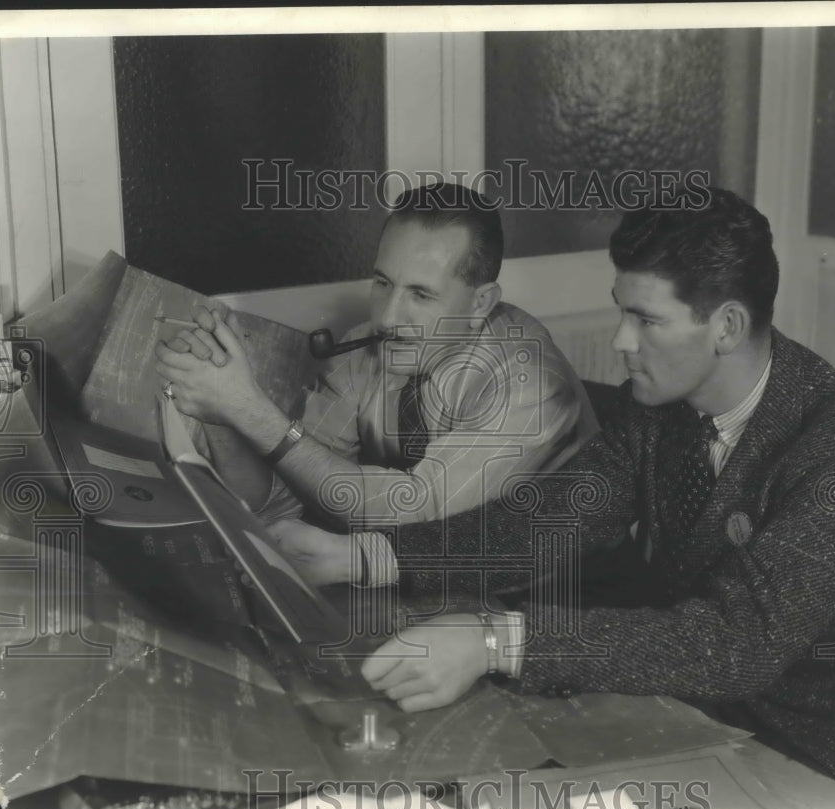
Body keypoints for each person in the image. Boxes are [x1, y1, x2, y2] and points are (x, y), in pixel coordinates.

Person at [267, 188, 835, 809]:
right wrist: (361, 555)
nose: (620, 341)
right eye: (622, 311)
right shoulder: (664, 409)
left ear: (726, 326)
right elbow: (540, 522)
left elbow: (734, 642)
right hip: (709, 724)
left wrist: (498, 640)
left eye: (645, 319)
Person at [155, 183, 598, 563]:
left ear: (481, 302)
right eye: (383, 283)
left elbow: (420, 514)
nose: (388, 318)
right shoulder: (367, 348)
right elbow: (284, 500)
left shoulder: (529, 381)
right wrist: (224, 415)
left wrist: (251, 410)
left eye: (421, 295)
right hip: (423, 583)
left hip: (552, 599)